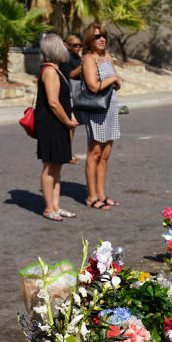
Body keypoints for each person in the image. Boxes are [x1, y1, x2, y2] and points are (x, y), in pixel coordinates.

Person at [35, 32, 79, 220]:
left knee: (57, 166)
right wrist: (67, 120)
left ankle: (56, 205)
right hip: (52, 124)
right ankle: (48, 208)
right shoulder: (50, 71)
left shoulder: (56, 69)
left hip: (57, 123)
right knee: (50, 166)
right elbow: (53, 102)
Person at [78, 22, 122, 209]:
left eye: (104, 35)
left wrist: (115, 81)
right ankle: (91, 196)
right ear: (90, 39)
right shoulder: (89, 58)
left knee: (105, 154)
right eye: (97, 36)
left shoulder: (107, 56)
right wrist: (113, 79)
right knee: (94, 152)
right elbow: (93, 86)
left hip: (110, 108)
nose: (102, 39)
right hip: (96, 109)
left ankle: (102, 194)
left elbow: (117, 84)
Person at [58, 34, 83, 163]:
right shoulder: (65, 59)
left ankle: (68, 152)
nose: (78, 47)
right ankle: (66, 154)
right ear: (67, 45)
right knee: (69, 126)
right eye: (75, 45)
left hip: (77, 95)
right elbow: (71, 75)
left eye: (80, 45)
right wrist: (83, 65)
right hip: (68, 95)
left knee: (73, 126)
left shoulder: (77, 58)